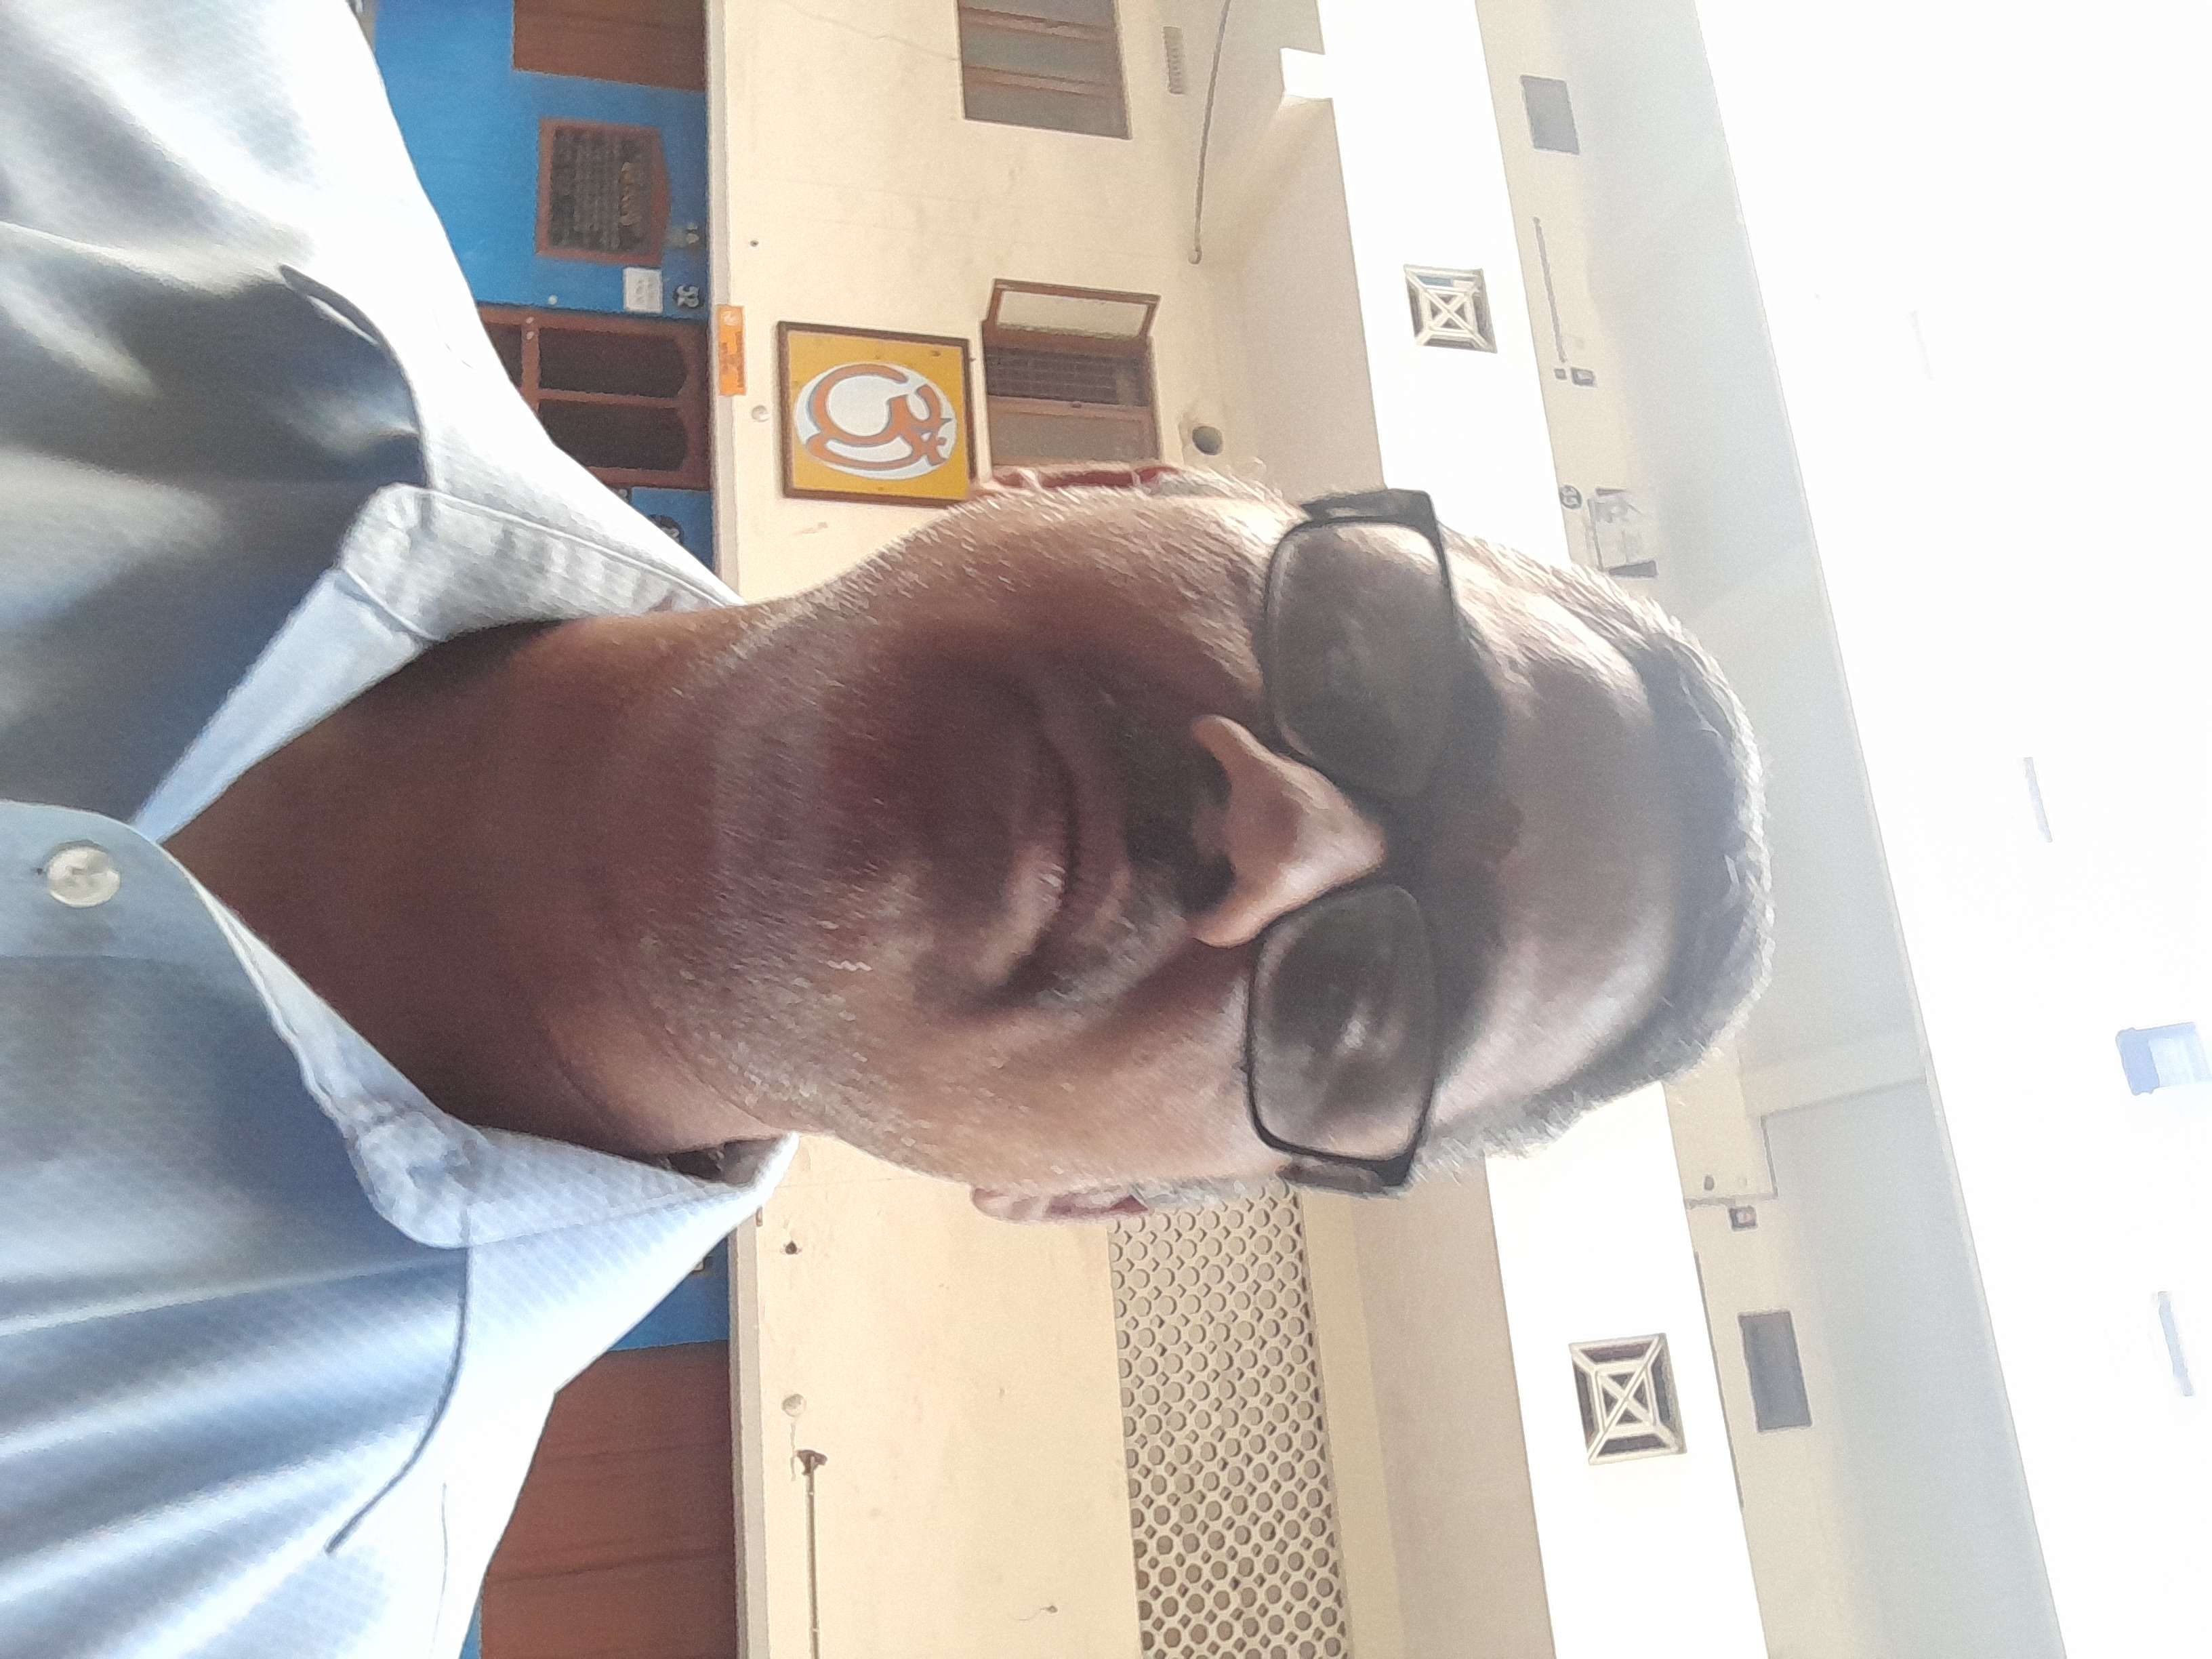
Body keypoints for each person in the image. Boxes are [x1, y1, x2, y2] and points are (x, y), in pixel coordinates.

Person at [0, 3, 1769, 1656]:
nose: (1281, 838)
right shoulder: (143, 80)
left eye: (1363, 1013)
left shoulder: (213, 1600)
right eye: (1363, 657)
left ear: (1098, 1196)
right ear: (1101, 484)